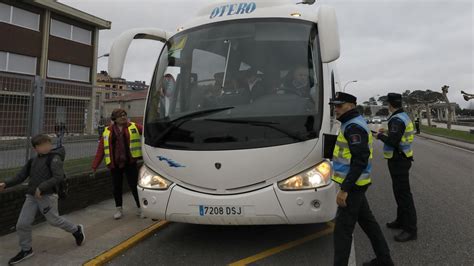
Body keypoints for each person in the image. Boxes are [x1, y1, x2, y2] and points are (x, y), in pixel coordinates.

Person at [329, 92, 393, 266]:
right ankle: (384, 260)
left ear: (350, 105)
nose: (336, 109)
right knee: (368, 223)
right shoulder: (350, 123)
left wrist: (344, 190)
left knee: (342, 231)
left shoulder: (353, 126)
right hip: (357, 183)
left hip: (354, 186)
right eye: (334, 105)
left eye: (339, 105)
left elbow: (360, 160)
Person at [0, 134, 85, 265]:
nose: (46, 147)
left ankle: (76, 230)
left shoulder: (54, 158)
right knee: (22, 224)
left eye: (48, 144)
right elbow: (21, 176)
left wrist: (41, 187)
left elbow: (58, 177)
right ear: (36, 148)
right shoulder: (33, 160)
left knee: (54, 220)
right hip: (31, 196)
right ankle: (26, 249)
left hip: (47, 196)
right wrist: (5, 184)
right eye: (42, 145)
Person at [373, 93, 417, 242]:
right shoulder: (403, 116)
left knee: (404, 195)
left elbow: (393, 141)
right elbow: (398, 135)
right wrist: (386, 132)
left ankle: (410, 230)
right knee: (399, 192)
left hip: (399, 160)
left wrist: (379, 136)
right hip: (402, 158)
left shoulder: (397, 119)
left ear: (390, 104)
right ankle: (401, 221)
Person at [92, 109, 144, 220]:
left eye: (125, 115)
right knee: (117, 187)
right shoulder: (107, 131)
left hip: (130, 162)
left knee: (134, 186)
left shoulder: (133, 126)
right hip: (115, 164)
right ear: (114, 119)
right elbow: (101, 149)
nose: (124, 118)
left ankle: (141, 208)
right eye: (121, 116)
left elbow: (147, 132)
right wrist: (95, 166)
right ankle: (119, 209)